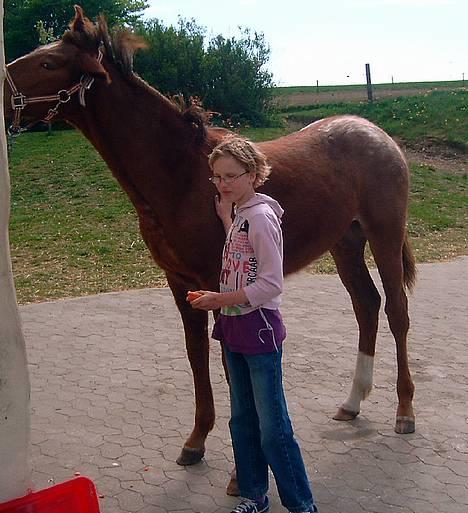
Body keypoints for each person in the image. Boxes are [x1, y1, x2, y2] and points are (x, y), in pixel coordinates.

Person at [188, 135, 319, 513]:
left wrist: (217, 299)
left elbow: (270, 284)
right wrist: (226, 217)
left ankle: (302, 505)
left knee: (273, 428)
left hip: (258, 330)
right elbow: (243, 249)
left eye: (231, 176)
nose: (223, 184)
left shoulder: (261, 218)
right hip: (232, 329)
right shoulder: (243, 213)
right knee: (242, 420)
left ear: (255, 174)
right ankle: (254, 496)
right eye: (216, 177)